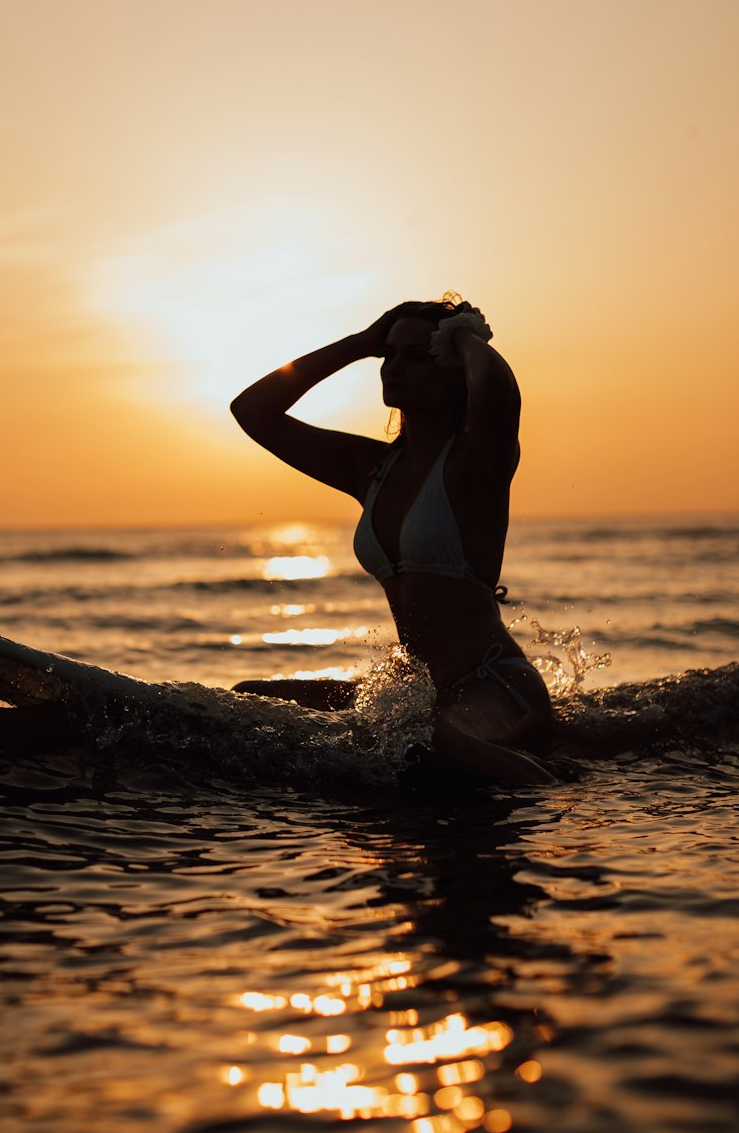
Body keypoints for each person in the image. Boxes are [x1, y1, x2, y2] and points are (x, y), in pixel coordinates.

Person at [230, 296, 556, 785]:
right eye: (391, 355)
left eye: (418, 356)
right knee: (246, 699)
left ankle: (558, 800)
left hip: (492, 685)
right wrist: (361, 344)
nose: (394, 368)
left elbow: (497, 388)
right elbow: (253, 410)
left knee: (431, 739)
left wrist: (464, 337)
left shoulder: (476, 463)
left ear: (452, 372)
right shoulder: (371, 469)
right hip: (424, 693)